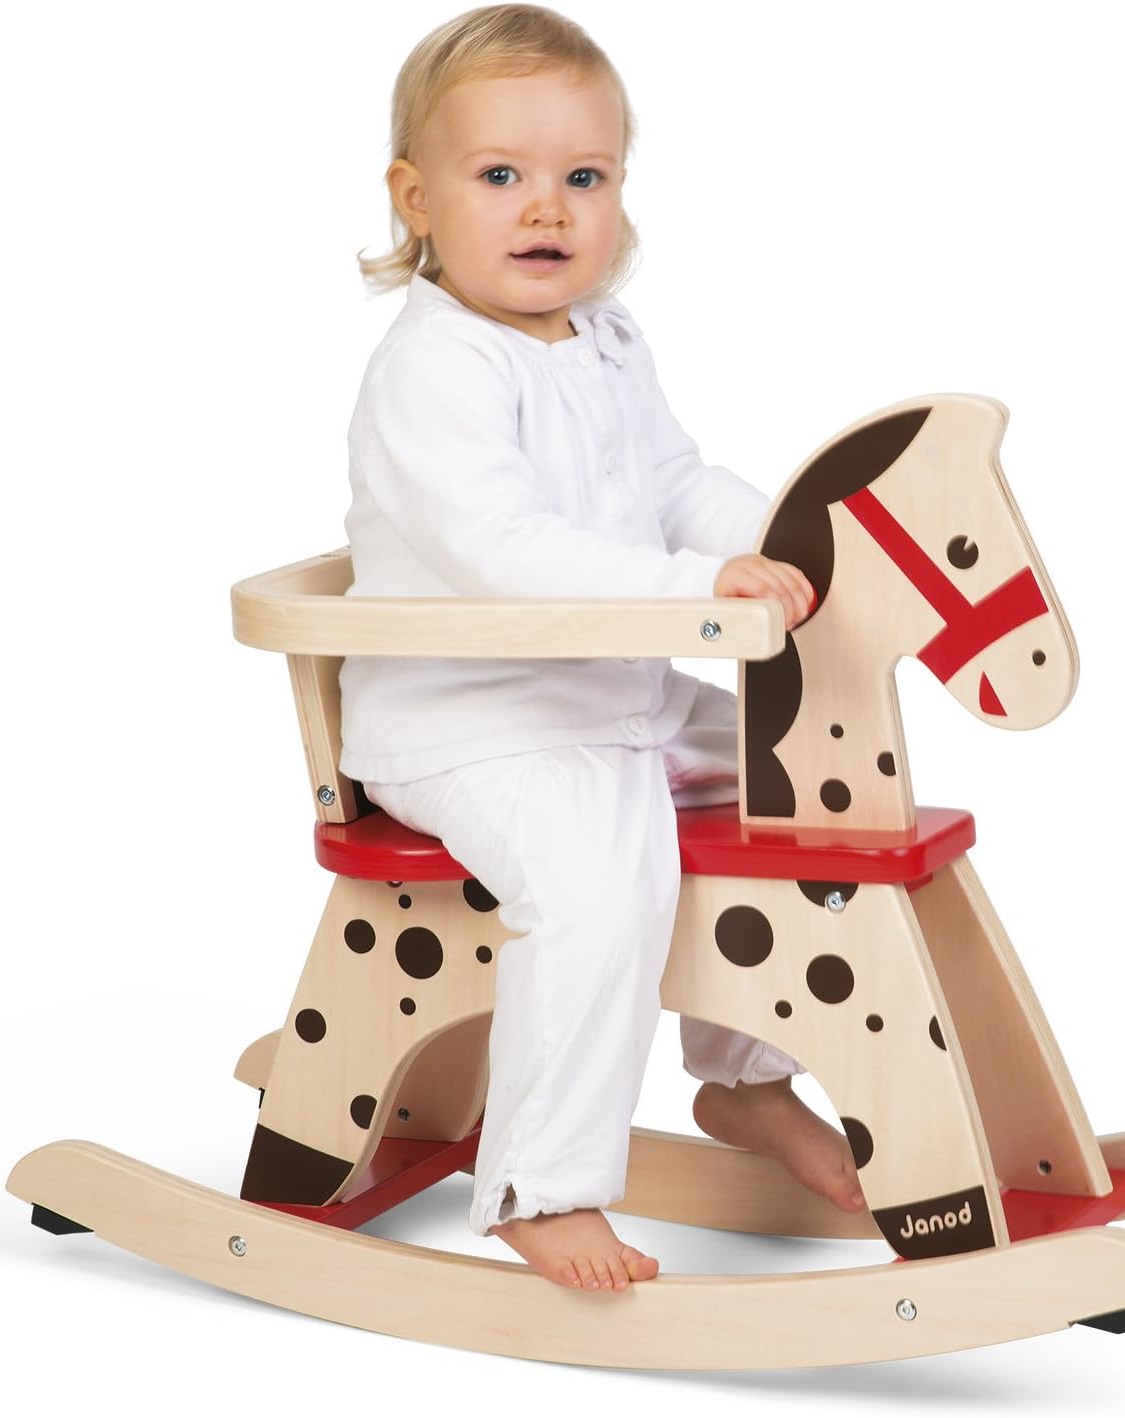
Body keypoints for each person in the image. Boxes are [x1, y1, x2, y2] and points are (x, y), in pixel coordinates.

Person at [340, 3, 867, 1293]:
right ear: (416, 198)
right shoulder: (436, 370)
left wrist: (791, 541)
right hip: (474, 724)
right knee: (593, 882)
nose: (547, 208)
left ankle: (746, 1081)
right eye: (499, 176)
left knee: (804, 771)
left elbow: (675, 483)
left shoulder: (607, 339)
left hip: (612, 694)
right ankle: (543, 1185)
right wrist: (698, 592)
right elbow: (505, 552)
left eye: (585, 176)